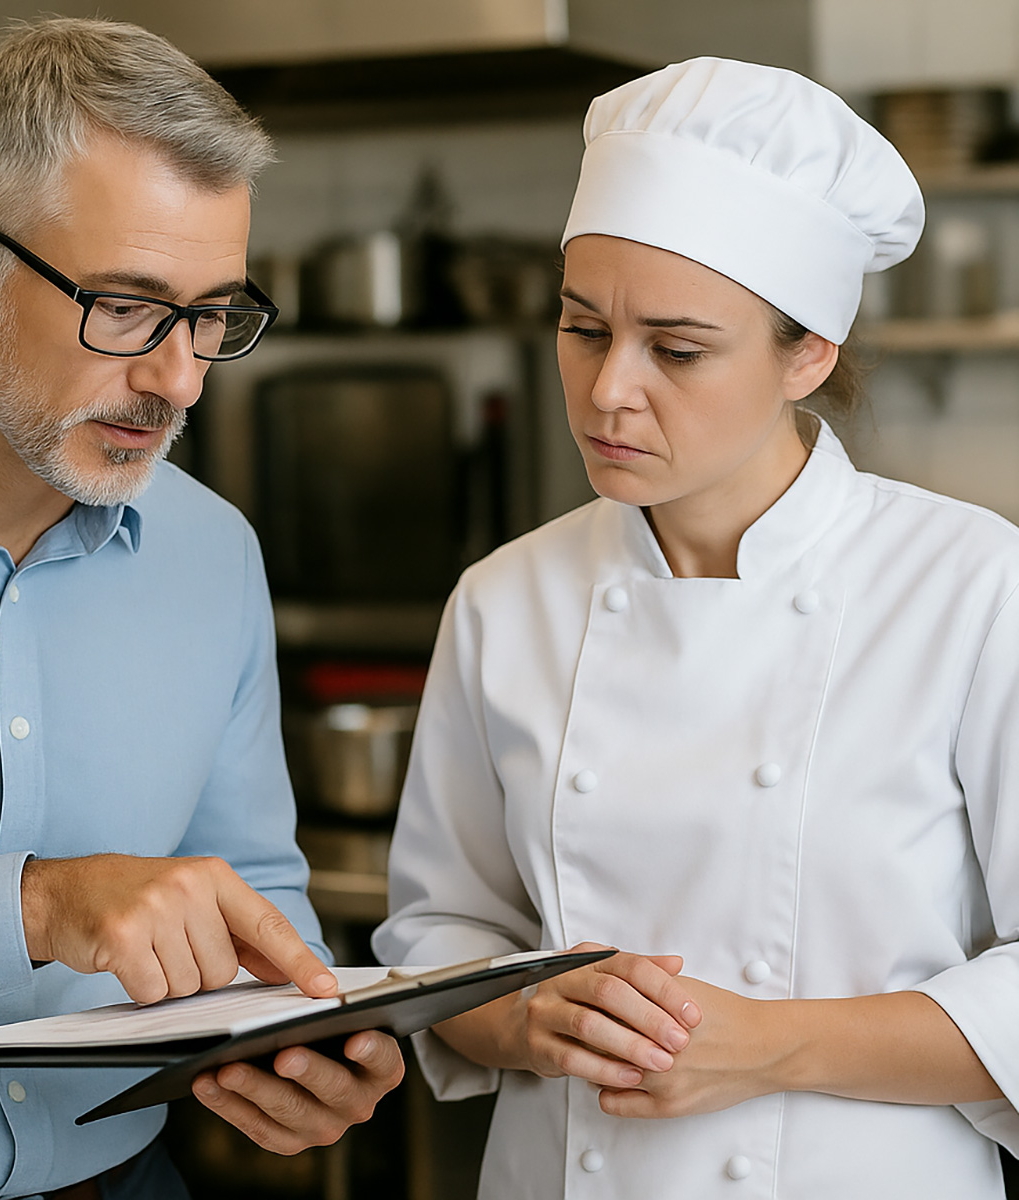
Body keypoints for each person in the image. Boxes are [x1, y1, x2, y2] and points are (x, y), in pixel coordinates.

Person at [373, 56, 1019, 1199]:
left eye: (676, 350)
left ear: (807, 354)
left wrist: (762, 1045)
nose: (610, 389)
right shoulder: (503, 600)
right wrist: (526, 1019)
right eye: (582, 331)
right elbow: (439, 946)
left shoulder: (970, 588)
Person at [0, 17, 403, 1200]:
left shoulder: (212, 553)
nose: (180, 378)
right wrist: (34, 907)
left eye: (212, 316)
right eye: (128, 308)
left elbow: (252, 886)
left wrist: (293, 1032)